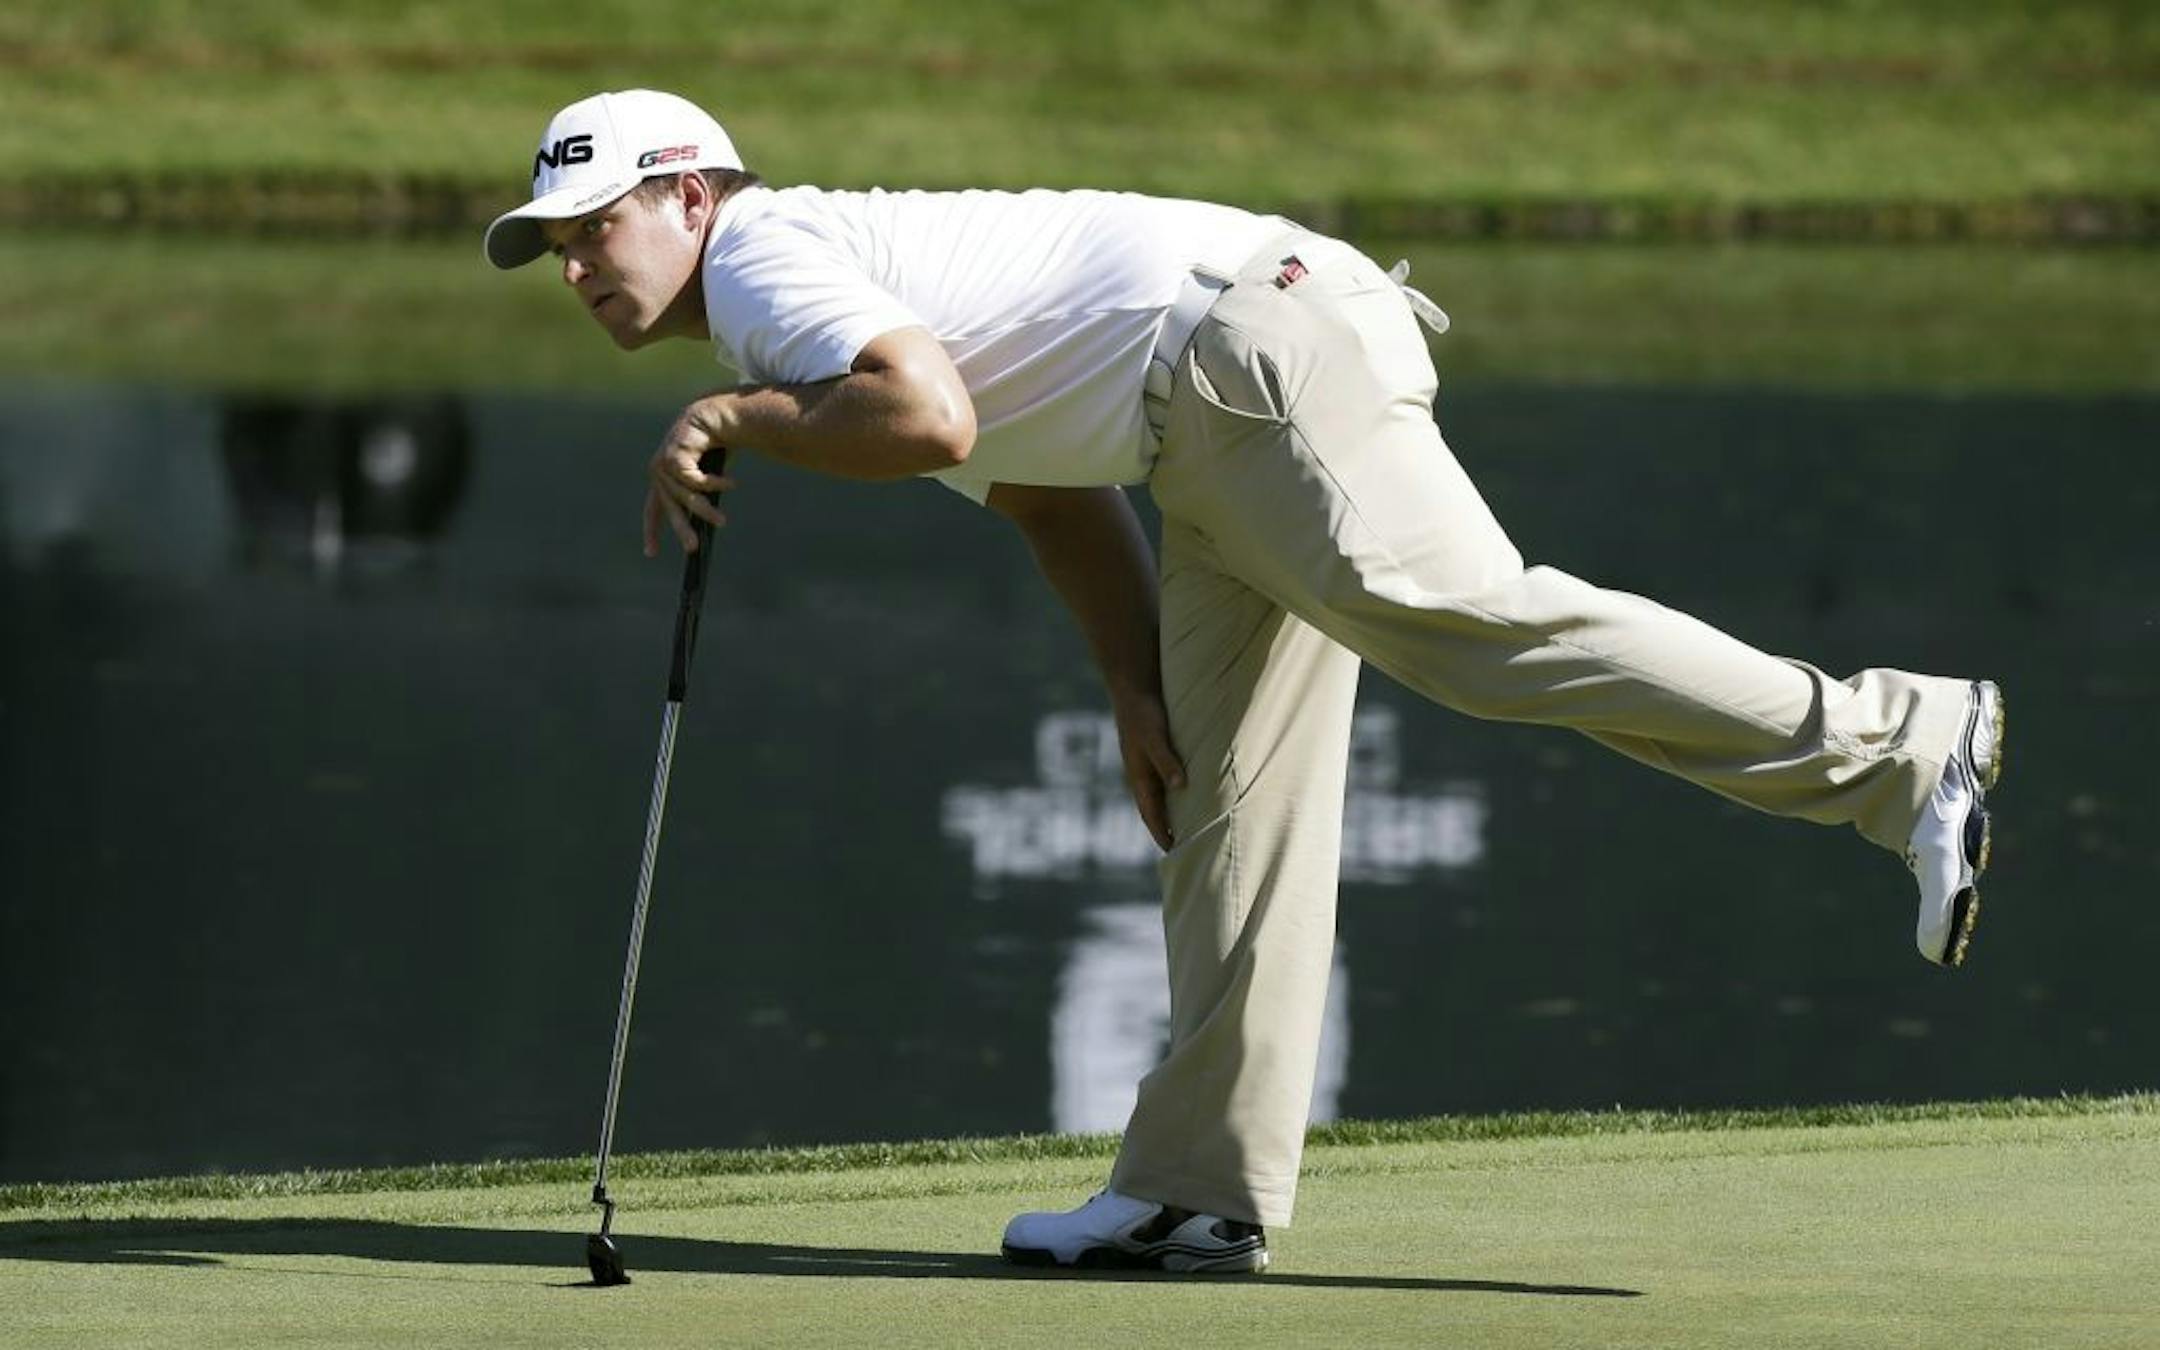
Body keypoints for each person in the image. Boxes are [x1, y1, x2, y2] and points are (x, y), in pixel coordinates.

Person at [484, 89, 2005, 1275]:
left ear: (690, 193)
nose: (573, 260)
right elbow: (1035, 488)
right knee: (1231, 795)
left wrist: (724, 415)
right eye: (555, 240)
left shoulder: (759, 261)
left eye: (595, 223)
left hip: (1250, 357)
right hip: (1198, 414)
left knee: (1473, 627)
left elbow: (931, 416)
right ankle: (1195, 1193)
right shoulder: (804, 285)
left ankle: (1897, 744)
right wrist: (1134, 691)